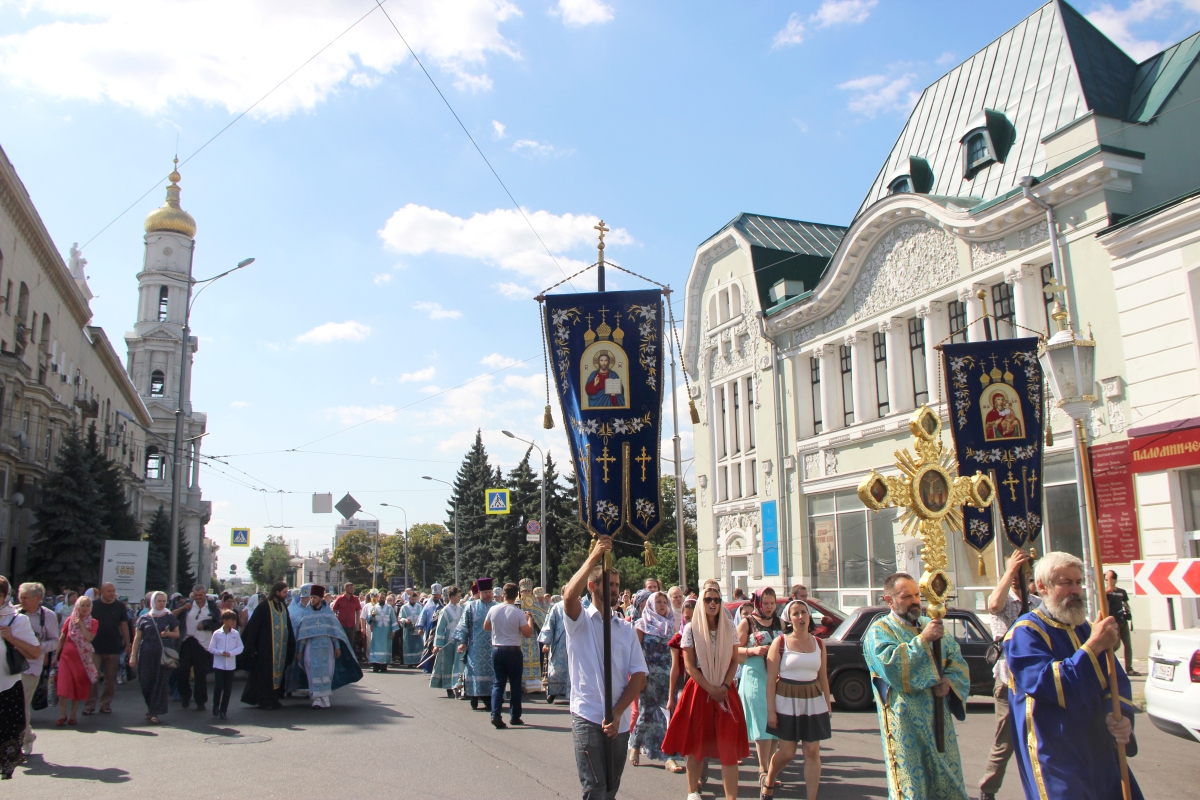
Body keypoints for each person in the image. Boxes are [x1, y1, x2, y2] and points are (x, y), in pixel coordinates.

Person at [1006, 551, 1144, 800]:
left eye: (1078, 582)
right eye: (1066, 583)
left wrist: (1119, 718)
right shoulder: (1025, 633)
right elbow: (1049, 685)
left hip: (1097, 746)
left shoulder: (1088, 628)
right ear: (1042, 587)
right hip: (1055, 749)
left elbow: (1115, 680)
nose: (1075, 590)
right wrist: (1092, 647)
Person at [863, 572, 971, 800]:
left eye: (916, 595)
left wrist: (949, 682)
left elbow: (957, 662)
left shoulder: (930, 625)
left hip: (939, 721)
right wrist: (923, 641)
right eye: (906, 596)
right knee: (914, 789)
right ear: (889, 600)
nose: (914, 601)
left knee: (949, 785)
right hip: (905, 726)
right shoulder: (880, 631)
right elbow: (892, 668)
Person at [563, 536, 648, 800]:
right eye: (609, 584)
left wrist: (619, 711)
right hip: (587, 716)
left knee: (611, 789)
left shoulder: (625, 629)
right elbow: (568, 596)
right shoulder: (580, 622)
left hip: (618, 722)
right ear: (592, 586)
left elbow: (640, 676)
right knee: (595, 789)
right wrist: (594, 557)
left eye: (617, 585)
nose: (615, 590)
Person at [661, 579, 748, 800]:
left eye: (716, 600)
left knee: (729, 747)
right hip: (700, 690)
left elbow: (734, 660)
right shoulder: (691, 629)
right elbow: (689, 666)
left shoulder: (729, 628)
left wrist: (725, 686)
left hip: (725, 691)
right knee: (697, 744)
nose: (712, 603)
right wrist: (711, 688)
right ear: (701, 601)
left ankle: (731, 797)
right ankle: (692, 791)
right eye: (708, 599)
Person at [978, 550, 1039, 800]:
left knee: (1039, 737)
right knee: (1005, 741)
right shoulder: (1003, 598)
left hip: (1035, 680)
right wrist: (1011, 570)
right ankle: (988, 789)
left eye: (1021, 573)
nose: (1016, 578)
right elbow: (994, 605)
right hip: (1008, 679)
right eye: (1011, 573)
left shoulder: (1037, 603)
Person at [762, 600, 832, 800]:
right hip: (786, 700)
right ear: (789, 619)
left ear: (809, 616)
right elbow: (770, 681)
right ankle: (769, 779)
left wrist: (828, 706)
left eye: (804, 613)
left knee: (812, 751)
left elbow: (823, 678)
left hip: (813, 700)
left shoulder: (819, 643)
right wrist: (771, 711)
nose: (800, 617)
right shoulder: (780, 643)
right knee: (787, 753)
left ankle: (812, 797)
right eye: (796, 614)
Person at [738, 588, 784, 786]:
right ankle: (763, 769)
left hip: (777, 678)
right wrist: (752, 650)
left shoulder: (779, 622)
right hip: (755, 676)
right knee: (762, 721)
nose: (769, 607)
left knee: (775, 726)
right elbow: (734, 652)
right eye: (765, 603)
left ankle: (771, 769)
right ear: (757, 603)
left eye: (772, 603)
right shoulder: (747, 622)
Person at [292, 585, 362, 708]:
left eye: (314, 597)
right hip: (310, 647)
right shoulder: (307, 614)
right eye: (311, 598)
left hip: (327, 647)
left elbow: (334, 631)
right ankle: (316, 698)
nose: (312, 600)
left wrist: (337, 647)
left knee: (327, 670)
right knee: (312, 671)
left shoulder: (328, 613)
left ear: (320, 598)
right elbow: (303, 634)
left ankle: (325, 697)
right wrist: (300, 650)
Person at [629, 590, 674, 768]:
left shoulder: (671, 626)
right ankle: (635, 744)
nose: (662, 605)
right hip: (647, 676)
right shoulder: (641, 624)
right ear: (650, 605)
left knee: (665, 713)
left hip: (667, 675)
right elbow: (634, 653)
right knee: (646, 712)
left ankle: (664, 752)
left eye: (665, 602)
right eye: (659, 602)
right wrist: (638, 677)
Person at [0, 577, 38, 778]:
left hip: (5, 692)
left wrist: (11, 638)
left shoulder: (16, 620)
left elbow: (35, 652)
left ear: (5, 597)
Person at [483, 581, 534, 728]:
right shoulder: (518, 612)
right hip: (513, 650)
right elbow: (528, 633)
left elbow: (486, 627)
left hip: (497, 648)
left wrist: (499, 628)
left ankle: (495, 714)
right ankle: (515, 716)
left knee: (498, 683)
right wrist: (529, 618)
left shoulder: (493, 609)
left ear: (503, 595)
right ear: (517, 595)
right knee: (515, 684)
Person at [16, 582, 57, 755]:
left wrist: (38, 647)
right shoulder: (15, 613)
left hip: (31, 666)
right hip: (10, 665)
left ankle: (25, 740)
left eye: (25, 598)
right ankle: (27, 735)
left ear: (38, 598)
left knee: (21, 706)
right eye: (20, 597)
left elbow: (55, 641)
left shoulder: (48, 616)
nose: (22, 601)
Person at [240, 582, 296, 710]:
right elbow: (253, 627)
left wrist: (291, 644)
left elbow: (288, 626)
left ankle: (274, 699)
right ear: (277, 592)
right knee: (265, 676)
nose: (286, 595)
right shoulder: (264, 607)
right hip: (265, 649)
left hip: (280, 650)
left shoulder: (282, 606)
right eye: (284, 592)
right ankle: (264, 700)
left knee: (278, 675)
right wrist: (252, 647)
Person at [129, 591, 180, 725]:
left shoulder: (169, 617)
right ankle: (151, 706)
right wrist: (133, 656)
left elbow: (177, 634)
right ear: (152, 602)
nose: (162, 603)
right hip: (146, 653)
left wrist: (168, 633)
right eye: (159, 601)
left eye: (164, 601)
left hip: (162, 654)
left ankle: (154, 711)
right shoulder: (144, 618)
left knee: (160, 683)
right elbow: (137, 638)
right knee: (146, 682)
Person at [84, 582, 131, 715]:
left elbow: (124, 626)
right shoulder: (94, 606)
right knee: (93, 677)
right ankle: (90, 704)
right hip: (95, 647)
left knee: (110, 679)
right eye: (109, 591)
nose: (112, 593)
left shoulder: (120, 606)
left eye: (113, 591)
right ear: (102, 592)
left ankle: (105, 704)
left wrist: (127, 644)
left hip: (113, 647)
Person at [174, 583, 220, 712]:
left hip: (203, 643)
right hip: (186, 640)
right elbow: (173, 616)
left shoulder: (211, 606)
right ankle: (185, 696)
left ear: (205, 594)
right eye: (196, 595)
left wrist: (205, 625)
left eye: (200, 595)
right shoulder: (188, 604)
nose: (198, 598)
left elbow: (218, 622)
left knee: (201, 673)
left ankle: (200, 701)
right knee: (182, 670)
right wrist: (183, 608)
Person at [663, 596, 696, 774]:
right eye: (687, 618)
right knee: (681, 725)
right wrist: (670, 697)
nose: (690, 621)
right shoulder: (678, 639)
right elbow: (675, 669)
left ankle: (698, 768)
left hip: (703, 686)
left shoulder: (706, 636)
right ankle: (673, 758)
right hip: (684, 687)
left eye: (693, 617)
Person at [454, 578, 498, 710]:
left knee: (492, 671)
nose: (488, 595)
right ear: (479, 593)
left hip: (493, 646)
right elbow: (463, 626)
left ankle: (490, 698)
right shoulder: (471, 606)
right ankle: (474, 696)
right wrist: (462, 642)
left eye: (490, 592)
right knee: (475, 671)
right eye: (485, 592)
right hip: (476, 647)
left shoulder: (497, 607)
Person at [55, 595, 98, 725]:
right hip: (66, 656)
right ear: (77, 606)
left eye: (87, 605)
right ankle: (63, 714)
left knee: (77, 686)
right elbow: (62, 638)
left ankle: (73, 715)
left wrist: (80, 624)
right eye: (82, 605)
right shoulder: (69, 620)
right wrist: (55, 656)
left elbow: (89, 638)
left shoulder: (93, 622)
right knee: (63, 685)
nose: (84, 608)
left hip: (82, 659)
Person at [207, 610, 243, 719]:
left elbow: (240, 647)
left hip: (230, 665)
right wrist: (221, 652)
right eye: (231, 620)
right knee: (219, 686)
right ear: (225, 621)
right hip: (219, 665)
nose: (233, 622)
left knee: (228, 688)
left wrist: (231, 653)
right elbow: (211, 648)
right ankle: (216, 705)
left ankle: (224, 710)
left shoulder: (235, 634)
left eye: (234, 620)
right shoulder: (217, 634)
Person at [430, 586, 463, 697]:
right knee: (448, 663)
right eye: (458, 596)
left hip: (459, 640)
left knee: (459, 663)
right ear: (452, 597)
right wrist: (437, 645)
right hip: (448, 641)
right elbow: (440, 629)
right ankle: (448, 686)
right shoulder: (444, 611)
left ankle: (459, 685)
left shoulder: (461, 609)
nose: (459, 598)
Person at [1104, 570, 1138, 675]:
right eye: (1106, 579)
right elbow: (1109, 589)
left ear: (1115, 579)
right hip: (1113, 622)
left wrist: (1128, 611)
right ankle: (1104, 661)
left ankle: (1129, 668)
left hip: (1123, 621)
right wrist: (1109, 575)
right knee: (1116, 645)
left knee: (1128, 645)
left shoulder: (1122, 592)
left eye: (1110, 578)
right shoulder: (1106, 592)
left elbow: (1125, 603)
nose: (1108, 581)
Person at [539, 590, 570, 703]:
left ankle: (571, 693)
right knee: (556, 669)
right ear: (563, 593)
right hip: (559, 643)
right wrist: (546, 643)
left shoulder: (579, 606)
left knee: (573, 670)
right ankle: (552, 692)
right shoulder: (557, 607)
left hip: (574, 643)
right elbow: (549, 624)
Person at [517, 578, 546, 695]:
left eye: (529, 592)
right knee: (521, 660)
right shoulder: (516, 605)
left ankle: (533, 686)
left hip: (532, 638)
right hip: (520, 638)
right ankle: (521, 685)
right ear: (520, 593)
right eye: (525, 592)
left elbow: (543, 621)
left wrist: (532, 618)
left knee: (533, 659)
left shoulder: (534, 606)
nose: (527, 594)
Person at [366, 590, 397, 673]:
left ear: (385, 598)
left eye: (383, 597)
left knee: (385, 647)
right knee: (376, 647)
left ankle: (384, 666)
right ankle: (375, 665)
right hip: (377, 631)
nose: (382, 599)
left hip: (386, 632)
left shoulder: (390, 608)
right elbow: (369, 621)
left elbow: (393, 620)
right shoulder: (374, 608)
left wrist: (393, 631)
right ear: (377, 598)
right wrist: (372, 616)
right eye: (380, 597)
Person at [330, 583, 362, 661]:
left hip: (351, 626)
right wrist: (334, 621)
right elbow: (333, 609)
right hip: (341, 626)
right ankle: (341, 660)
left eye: (352, 588)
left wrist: (357, 623)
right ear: (346, 589)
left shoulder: (355, 599)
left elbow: (358, 611)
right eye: (350, 588)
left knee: (350, 644)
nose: (352, 590)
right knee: (341, 643)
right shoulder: (340, 599)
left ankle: (349, 660)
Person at [419, 584, 444, 673]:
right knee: (429, 648)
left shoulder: (443, 605)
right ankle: (428, 667)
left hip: (441, 630)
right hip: (429, 631)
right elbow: (422, 616)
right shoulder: (428, 606)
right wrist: (420, 627)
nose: (436, 596)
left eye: (438, 594)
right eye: (434, 595)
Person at [398, 591, 425, 667]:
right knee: (409, 645)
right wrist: (405, 621)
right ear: (409, 598)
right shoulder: (404, 607)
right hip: (408, 629)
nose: (413, 601)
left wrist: (421, 625)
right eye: (412, 599)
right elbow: (400, 618)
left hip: (417, 628)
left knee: (418, 645)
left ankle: (418, 661)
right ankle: (409, 661)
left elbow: (422, 617)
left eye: (415, 599)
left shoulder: (420, 606)